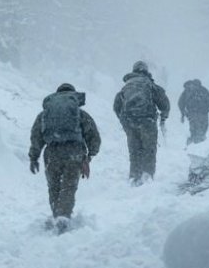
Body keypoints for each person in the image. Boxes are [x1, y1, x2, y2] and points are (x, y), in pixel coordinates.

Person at [29, 83, 101, 230]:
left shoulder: (45, 115)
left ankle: (57, 214)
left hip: (52, 153)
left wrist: (33, 157)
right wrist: (89, 156)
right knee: (68, 187)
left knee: (54, 187)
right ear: (73, 97)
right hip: (74, 152)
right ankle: (63, 217)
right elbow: (94, 137)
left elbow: (36, 137)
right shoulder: (80, 114)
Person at [112, 61, 170, 184]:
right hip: (147, 121)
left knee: (134, 150)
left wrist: (124, 121)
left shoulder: (127, 86)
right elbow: (164, 103)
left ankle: (134, 176)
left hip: (129, 122)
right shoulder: (149, 84)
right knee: (149, 150)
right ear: (146, 71)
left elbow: (116, 106)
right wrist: (163, 117)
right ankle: (147, 177)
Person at [178, 79, 209, 145]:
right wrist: (183, 114)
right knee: (197, 128)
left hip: (199, 113)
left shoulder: (201, 90)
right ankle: (195, 143)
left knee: (200, 128)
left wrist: (183, 114)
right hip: (196, 113)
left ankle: (196, 142)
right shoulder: (190, 91)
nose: (196, 87)